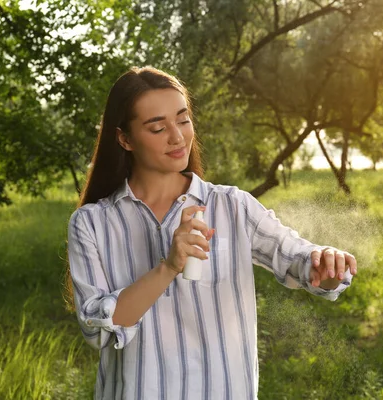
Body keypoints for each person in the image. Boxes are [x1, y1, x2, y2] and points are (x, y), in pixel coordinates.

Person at [66, 66, 357, 400]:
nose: (177, 137)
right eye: (158, 127)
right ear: (125, 139)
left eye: (183, 119)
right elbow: (97, 330)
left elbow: (300, 260)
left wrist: (327, 265)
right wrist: (168, 267)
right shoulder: (91, 223)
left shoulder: (233, 206)